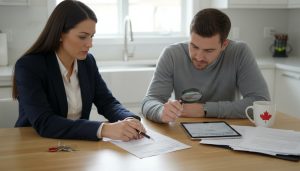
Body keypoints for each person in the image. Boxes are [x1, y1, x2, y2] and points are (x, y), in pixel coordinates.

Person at [12, 0, 146, 141]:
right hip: (35, 145)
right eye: (82, 37)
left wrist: (129, 119)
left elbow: (107, 102)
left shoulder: (87, 62)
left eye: (91, 36)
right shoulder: (29, 66)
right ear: (60, 34)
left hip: (75, 144)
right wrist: (104, 129)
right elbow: (45, 122)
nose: (90, 44)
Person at [141, 8, 270, 123]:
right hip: (183, 133)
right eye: (194, 46)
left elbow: (261, 102)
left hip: (229, 132)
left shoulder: (239, 52)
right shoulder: (172, 55)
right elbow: (149, 101)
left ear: (224, 45)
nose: (198, 57)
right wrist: (161, 111)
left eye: (209, 51)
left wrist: (205, 109)